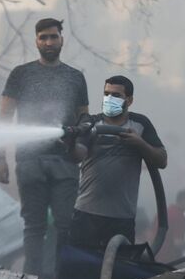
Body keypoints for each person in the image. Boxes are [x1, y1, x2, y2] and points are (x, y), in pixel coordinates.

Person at [0, 18, 89, 279]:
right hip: (29, 161)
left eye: (53, 37)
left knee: (65, 225)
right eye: (43, 38)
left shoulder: (75, 77)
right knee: (34, 226)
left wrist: (79, 143)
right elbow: (4, 118)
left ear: (62, 39)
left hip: (65, 162)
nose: (49, 42)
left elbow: (84, 118)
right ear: (36, 41)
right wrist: (0, 158)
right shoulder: (21, 74)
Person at [68, 75, 167, 250]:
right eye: (106, 94)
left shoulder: (140, 125)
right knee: (80, 271)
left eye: (116, 95)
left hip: (121, 219)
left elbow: (161, 160)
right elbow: (78, 155)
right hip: (86, 215)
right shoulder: (91, 123)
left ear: (129, 100)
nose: (109, 99)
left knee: (116, 272)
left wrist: (140, 144)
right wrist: (69, 142)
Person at [158, 188, 185, 263]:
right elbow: (178, 242)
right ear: (183, 201)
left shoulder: (167, 210)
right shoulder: (179, 215)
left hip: (158, 256)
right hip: (170, 259)